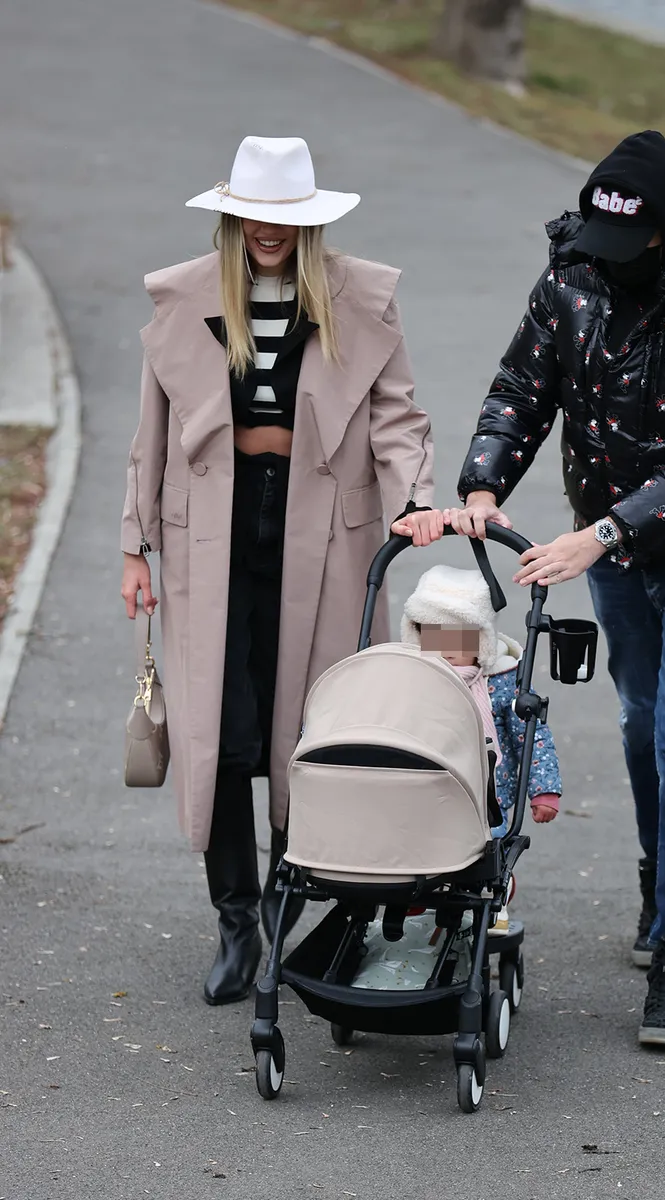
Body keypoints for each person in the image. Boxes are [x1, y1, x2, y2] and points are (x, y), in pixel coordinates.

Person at [444, 130, 665, 1050]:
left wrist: (597, 535)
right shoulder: (573, 277)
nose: (598, 259)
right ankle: (661, 872)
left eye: (617, 247)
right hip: (614, 549)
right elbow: (524, 386)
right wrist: (483, 485)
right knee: (641, 723)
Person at [120, 135, 442, 1006]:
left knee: (311, 727)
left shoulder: (359, 296)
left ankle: (286, 905)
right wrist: (132, 545)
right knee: (218, 729)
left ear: (309, 224)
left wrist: (414, 497)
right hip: (206, 534)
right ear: (233, 216)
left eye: (285, 219)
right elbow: (152, 429)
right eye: (253, 215)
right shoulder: (183, 295)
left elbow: (398, 414)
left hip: (325, 531)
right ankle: (237, 921)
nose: (267, 231)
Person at [401, 566, 562, 931]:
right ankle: (415, 892)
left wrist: (544, 789)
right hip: (425, 785)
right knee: (416, 836)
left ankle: (493, 892)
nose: (446, 652)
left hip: (486, 791)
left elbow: (531, 735)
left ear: (482, 643)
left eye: (458, 642)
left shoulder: (501, 684)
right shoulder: (411, 678)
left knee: (486, 850)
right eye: (434, 640)